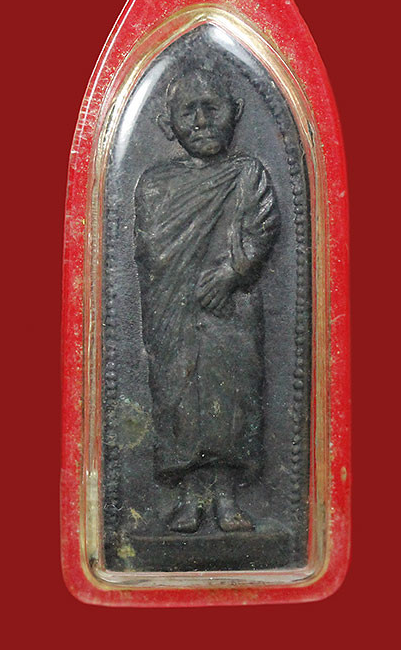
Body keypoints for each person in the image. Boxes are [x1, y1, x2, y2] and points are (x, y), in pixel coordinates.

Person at [134, 63, 280, 533]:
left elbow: (262, 227)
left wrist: (232, 272)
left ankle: (226, 497)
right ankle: (189, 498)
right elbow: (151, 248)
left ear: (235, 111)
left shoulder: (247, 174)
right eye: (188, 111)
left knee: (233, 396)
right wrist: (182, 287)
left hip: (230, 313)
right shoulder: (155, 184)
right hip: (174, 313)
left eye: (211, 108)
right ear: (167, 124)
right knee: (178, 397)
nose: (201, 121)